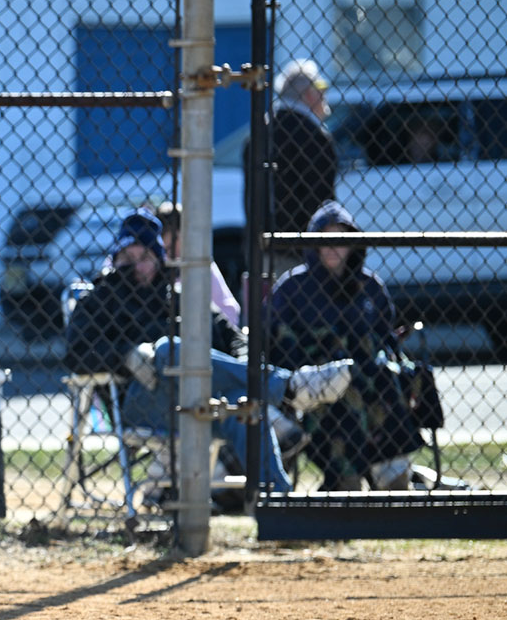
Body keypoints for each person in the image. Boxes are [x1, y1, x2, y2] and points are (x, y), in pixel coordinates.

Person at [64, 209, 353, 499]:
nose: (137, 266)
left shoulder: (178, 299)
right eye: (128, 257)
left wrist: (240, 367)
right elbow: (75, 354)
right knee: (167, 349)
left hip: (197, 401)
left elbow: (234, 339)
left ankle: (278, 500)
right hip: (138, 404)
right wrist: (124, 355)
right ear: (115, 259)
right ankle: (289, 387)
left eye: (145, 257)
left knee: (242, 406)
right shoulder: (98, 300)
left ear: (159, 259)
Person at [267, 200, 425, 492]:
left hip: (370, 384)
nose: (332, 247)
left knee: (384, 379)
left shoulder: (370, 286)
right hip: (313, 385)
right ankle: (343, 475)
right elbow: (279, 351)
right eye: (324, 239)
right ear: (313, 243)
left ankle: (391, 473)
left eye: (340, 239)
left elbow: (387, 342)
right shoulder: (292, 288)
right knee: (345, 388)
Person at [245, 58, 338, 278]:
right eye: (321, 87)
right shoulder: (314, 137)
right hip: (305, 250)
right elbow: (321, 198)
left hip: (262, 246)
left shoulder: (259, 133)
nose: (325, 94)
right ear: (309, 94)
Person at [154, 201, 240, 326]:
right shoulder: (156, 268)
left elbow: (229, 310)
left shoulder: (201, 264)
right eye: (164, 248)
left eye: (175, 240)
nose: (170, 252)